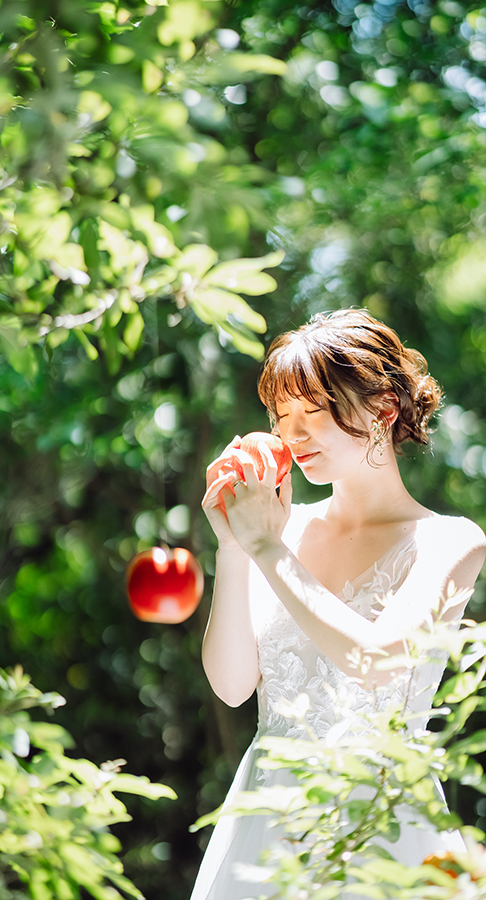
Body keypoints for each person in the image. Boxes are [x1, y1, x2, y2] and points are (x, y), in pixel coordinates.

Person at [192, 309, 486, 900]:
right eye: (281, 416)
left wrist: (266, 549)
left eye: (312, 412)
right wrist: (232, 548)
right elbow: (231, 686)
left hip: (383, 821)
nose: (291, 434)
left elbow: (377, 660)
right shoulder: (277, 529)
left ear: (382, 410)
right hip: (265, 817)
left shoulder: (450, 541)